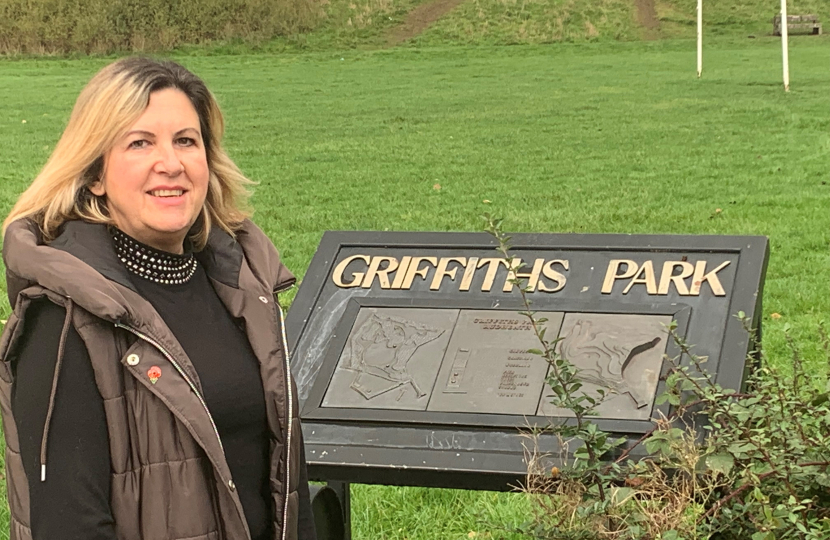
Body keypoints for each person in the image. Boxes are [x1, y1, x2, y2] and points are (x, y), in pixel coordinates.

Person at [0, 57, 317, 540]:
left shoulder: (242, 292)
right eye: (139, 143)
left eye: (186, 141)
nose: (170, 163)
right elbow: (71, 524)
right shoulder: (62, 319)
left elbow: (283, 483)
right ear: (95, 176)